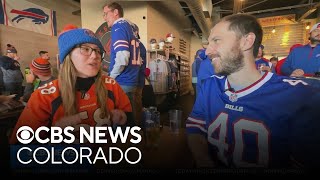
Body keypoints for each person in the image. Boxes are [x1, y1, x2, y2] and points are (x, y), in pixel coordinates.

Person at [186, 14, 320, 168]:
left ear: (247, 41)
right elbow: (195, 126)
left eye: (216, 40)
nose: (208, 51)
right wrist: (204, 161)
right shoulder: (210, 85)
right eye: (208, 43)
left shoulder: (299, 96)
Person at [9, 24, 133, 144]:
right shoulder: (43, 96)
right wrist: (53, 136)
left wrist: (124, 119)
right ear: (68, 56)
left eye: (98, 51)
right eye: (85, 49)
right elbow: (19, 152)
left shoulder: (111, 85)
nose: (95, 55)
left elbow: (131, 126)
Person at [103, 2, 141, 126]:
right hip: (132, 80)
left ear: (115, 12)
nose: (104, 18)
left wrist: (111, 78)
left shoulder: (118, 26)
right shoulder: (131, 28)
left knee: (121, 122)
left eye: (106, 14)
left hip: (122, 81)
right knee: (130, 119)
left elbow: (123, 58)